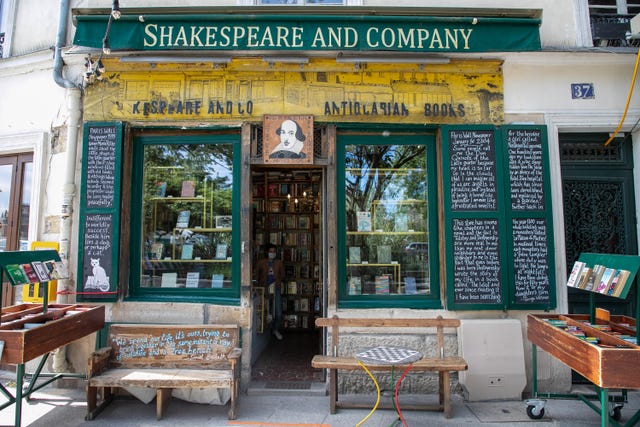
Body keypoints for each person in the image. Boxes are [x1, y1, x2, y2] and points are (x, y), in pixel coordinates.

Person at [256, 243, 285, 340]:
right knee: (265, 311)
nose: (272, 253)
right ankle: (266, 331)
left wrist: (277, 283)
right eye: (270, 252)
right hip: (263, 290)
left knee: (278, 313)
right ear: (267, 252)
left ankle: (275, 329)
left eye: (274, 252)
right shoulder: (261, 262)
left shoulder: (279, 263)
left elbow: (282, 276)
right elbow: (256, 276)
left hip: (275, 289)